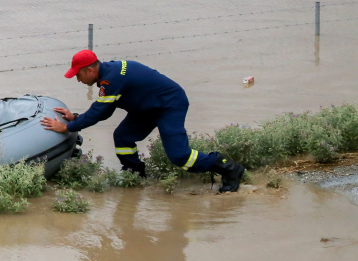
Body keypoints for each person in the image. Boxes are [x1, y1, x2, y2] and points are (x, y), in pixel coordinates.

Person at [41, 50, 245, 193]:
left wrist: (67, 127)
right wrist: (76, 118)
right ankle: (136, 174)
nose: (78, 80)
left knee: (180, 156)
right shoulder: (109, 73)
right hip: (147, 107)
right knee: (123, 137)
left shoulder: (111, 80)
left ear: (89, 70)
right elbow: (105, 109)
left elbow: (99, 113)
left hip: (169, 105)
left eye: (77, 75)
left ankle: (227, 167)